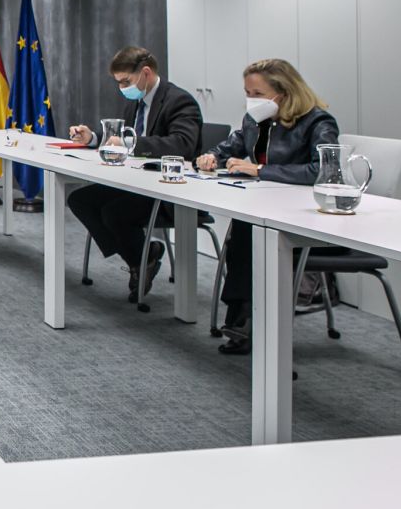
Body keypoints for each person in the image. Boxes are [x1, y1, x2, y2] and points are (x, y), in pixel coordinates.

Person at [197, 58, 340, 354]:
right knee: (244, 229)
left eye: (258, 93)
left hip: (306, 217)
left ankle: (244, 321)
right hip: (266, 209)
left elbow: (322, 171)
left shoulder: (318, 122)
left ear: (284, 92)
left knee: (245, 232)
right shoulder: (256, 120)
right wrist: (211, 157)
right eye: (247, 92)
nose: (251, 99)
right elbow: (230, 147)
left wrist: (260, 170)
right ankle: (243, 318)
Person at [65, 46, 203, 301]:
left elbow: (182, 145)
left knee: (113, 212)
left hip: (170, 190)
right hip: (137, 183)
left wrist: (131, 143)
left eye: (126, 82)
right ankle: (142, 257)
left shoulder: (179, 100)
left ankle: (141, 259)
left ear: (146, 73)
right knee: (79, 200)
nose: (122, 88)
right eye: (118, 82)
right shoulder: (135, 103)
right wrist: (92, 137)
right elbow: (121, 138)